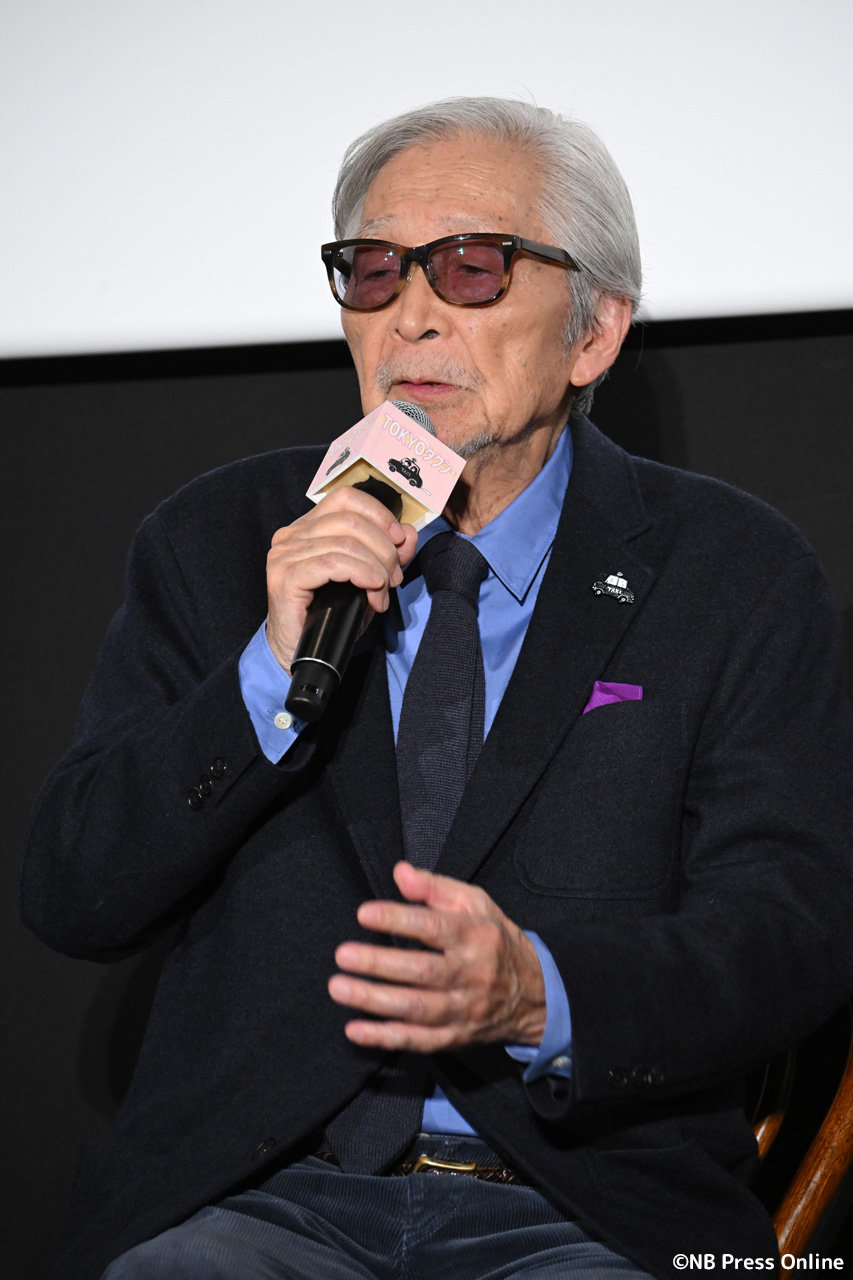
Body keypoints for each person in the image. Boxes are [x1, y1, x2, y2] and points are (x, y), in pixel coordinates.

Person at [20, 97, 853, 1280]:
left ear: (593, 332)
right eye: (373, 270)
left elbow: (792, 931)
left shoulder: (732, 569)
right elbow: (75, 892)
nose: (408, 313)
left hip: (584, 1212)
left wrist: (538, 993)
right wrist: (263, 675)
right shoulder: (217, 540)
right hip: (257, 1200)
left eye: (470, 266)